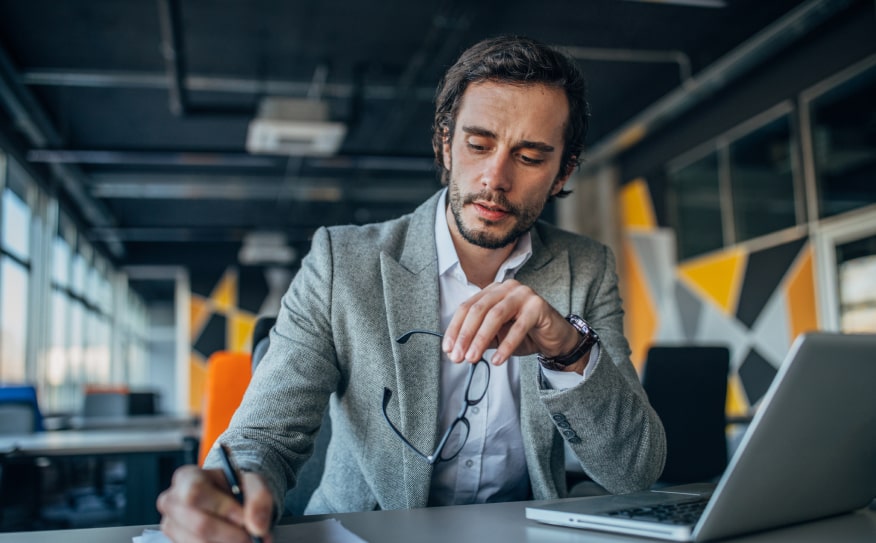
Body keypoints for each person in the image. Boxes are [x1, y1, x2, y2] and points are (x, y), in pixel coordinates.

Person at [157, 35, 666, 542]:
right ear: (446, 143)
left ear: (563, 173)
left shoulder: (587, 267)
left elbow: (634, 471)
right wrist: (231, 487)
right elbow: (264, 436)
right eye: (478, 144)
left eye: (530, 157)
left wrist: (567, 349)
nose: (496, 177)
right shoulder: (342, 262)